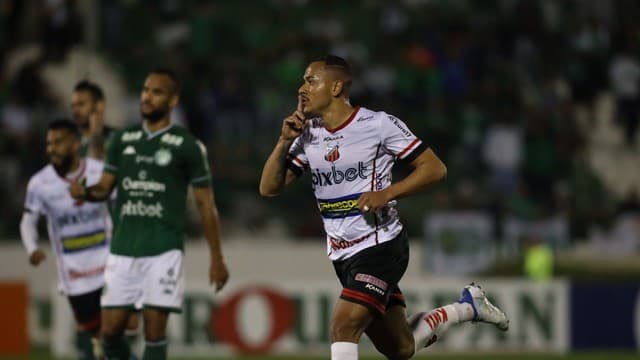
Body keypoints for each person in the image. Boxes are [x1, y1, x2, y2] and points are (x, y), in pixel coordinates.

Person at [259, 55, 509, 360]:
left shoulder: (377, 124)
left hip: (382, 247)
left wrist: (387, 193)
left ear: (336, 86)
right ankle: (467, 307)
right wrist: (283, 142)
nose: (302, 88)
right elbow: (269, 188)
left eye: (311, 80)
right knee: (400, 347)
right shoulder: (308, 134)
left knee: (343, 326)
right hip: (343, 255)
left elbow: (434, 169)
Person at [69, 68, 229, 360]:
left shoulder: (188, 146)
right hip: (123, 249)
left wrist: (216, 258)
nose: (147, 96)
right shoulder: (122, 140)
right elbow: (105, 188)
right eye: (145, 90)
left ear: (173, 100)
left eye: (157, 92)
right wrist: (87, 192)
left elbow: (206, 205)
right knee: (110, 335)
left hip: (163, 250)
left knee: (154, 333)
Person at [20, 119, 111, 359]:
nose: (51, 148)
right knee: (92, 339)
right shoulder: (40, 184)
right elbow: (27, 222)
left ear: (75, 144)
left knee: (119, 331)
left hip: (109, 266)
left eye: (58, 142)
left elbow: (122, 204)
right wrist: (32, 248)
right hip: (75, 275)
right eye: (49, 143)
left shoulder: (99, 171)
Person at [70, 79, 116, 159]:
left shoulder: (117, 138)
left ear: (99, 106)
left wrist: (96, 134)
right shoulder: (71, 145)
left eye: (81, 104)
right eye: (73, 106)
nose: (75, 110)